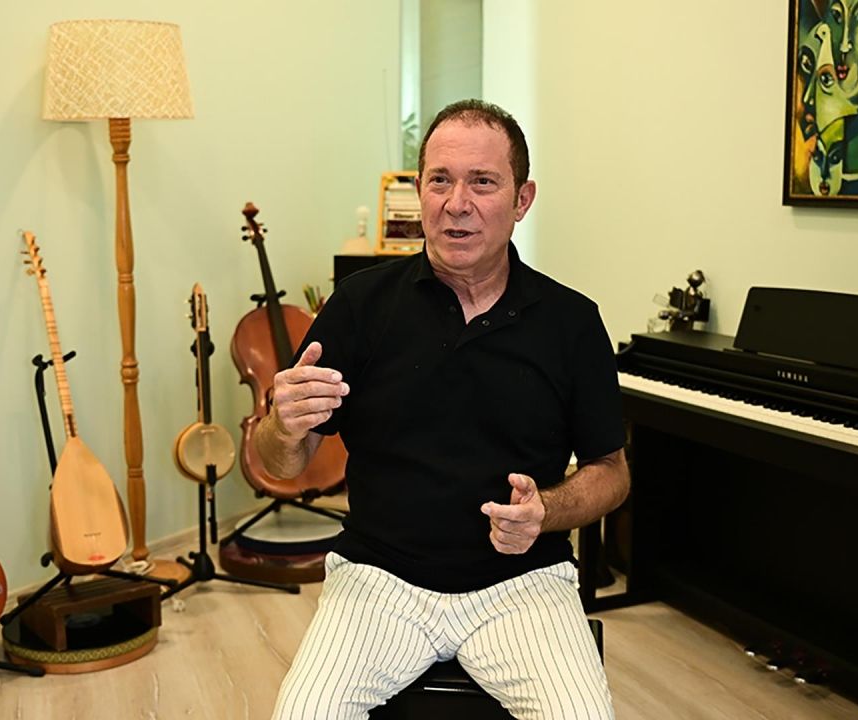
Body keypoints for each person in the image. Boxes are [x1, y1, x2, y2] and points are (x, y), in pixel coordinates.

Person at [261, 99, 630, 720]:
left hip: (522, 583)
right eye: (440, 180)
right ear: (420, 191)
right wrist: (282, 425)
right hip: (378, 580)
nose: (457, 203)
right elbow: (283, 462)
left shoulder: (572, 322)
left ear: (522, 199)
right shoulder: (359, 305)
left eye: (482, 182)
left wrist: (546, 511)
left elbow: (611, 472)